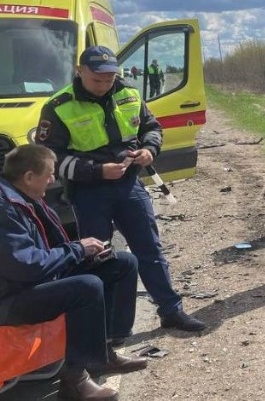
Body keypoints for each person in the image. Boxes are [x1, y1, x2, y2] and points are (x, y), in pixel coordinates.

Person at [36, 45, 207, 332]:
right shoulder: (59, 106)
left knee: (150, 249)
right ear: (80, 72)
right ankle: (103, 327)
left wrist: (149, 150)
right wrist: (95, 170)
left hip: (130, 185)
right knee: (99, 258)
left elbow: (152, 127)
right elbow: (48, 156)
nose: (104, 86)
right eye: (97, 80)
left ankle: (171, 310)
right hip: (90, 192)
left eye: (109, 79)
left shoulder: (128, 93)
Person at [0, 144, 148, 401]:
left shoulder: (26, 196)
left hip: (33, 281)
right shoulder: (6, 207)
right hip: (10, 299)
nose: (53, 179)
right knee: (86, 287)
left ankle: (103, 354)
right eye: (49, 174)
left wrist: (85, 250)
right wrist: (77, 250)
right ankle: (74, 379)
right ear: (28, 176)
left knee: (122, 263)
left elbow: (47, 249)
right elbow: (25, 265)